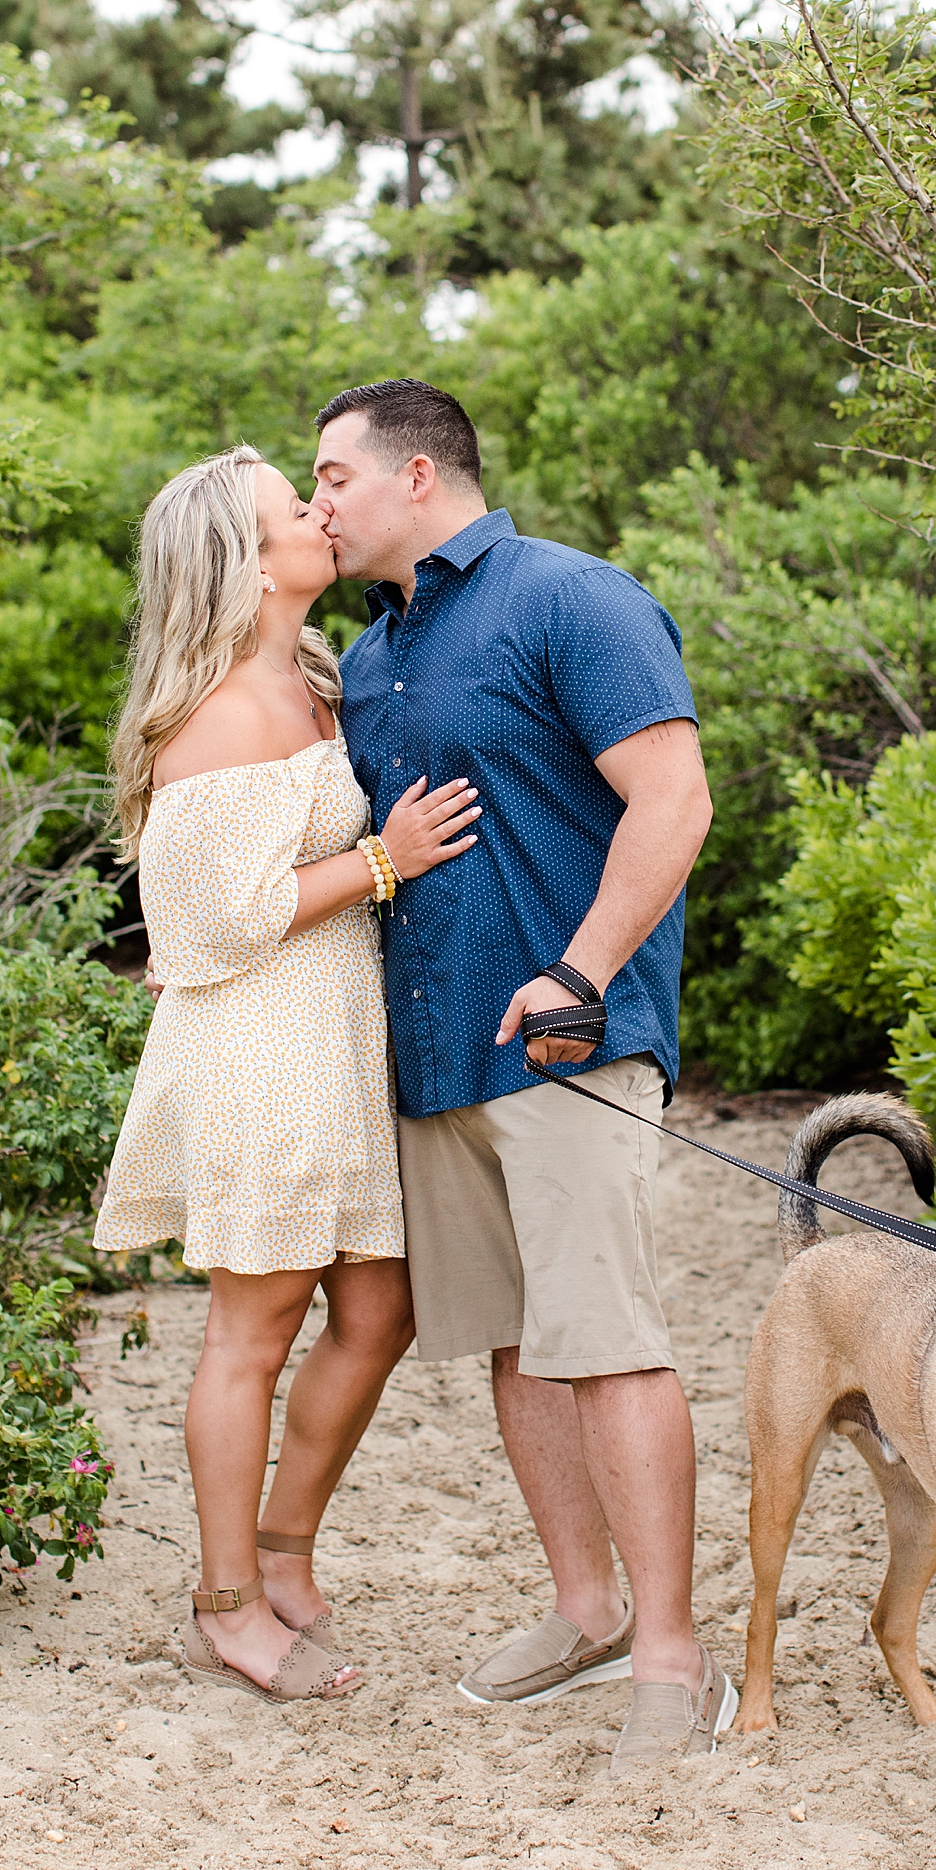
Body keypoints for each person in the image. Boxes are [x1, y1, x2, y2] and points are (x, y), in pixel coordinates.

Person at [310, 379, 733, 1776]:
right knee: (514, 1342)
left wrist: (583, 968)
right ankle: (586, 1607)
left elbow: (676, 800)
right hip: (436, 1060)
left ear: (417, 473)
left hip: (568, 1039)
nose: (320, 504)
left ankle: (674, 1657)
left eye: (333, 476)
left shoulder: (573, 598)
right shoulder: (370, 660)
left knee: (607, 1338)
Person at [94, 443, 479, 1704]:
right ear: (249, 564)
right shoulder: (217, 714)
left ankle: (283, 1545)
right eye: (293, 508)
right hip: (263, 1049)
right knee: (251, 1334)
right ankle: (227, 1602)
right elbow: (202, 923)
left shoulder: (310, 672)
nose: (322, 513)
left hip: (334, 1041)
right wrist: (387, 858)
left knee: (380, 1311)